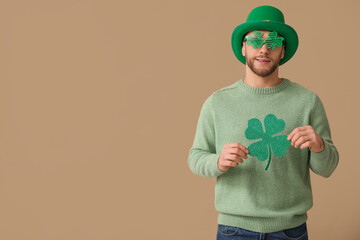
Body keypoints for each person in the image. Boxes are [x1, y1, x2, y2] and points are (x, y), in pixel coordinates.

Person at [187, 5, 339, 240]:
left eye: (274, 41)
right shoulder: (217, 102)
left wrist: (319, 146)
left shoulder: (307, 101)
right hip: (233, 230)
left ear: (282, 50)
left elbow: (328, 167)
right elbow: (195, 157)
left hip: (290, 231)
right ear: (243, 47)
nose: (264, 49)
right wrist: (218, 161)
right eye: (256, 40)